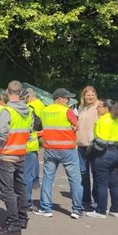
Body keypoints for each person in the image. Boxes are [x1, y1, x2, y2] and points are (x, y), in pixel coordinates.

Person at [34, 88, 85, 219]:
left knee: (47, 178)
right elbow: (77, 126)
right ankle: (77, 209)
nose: (69, 101)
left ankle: (45, 208)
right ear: (60, 99)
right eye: (67, 98)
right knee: (74, 179)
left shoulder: (45, 111)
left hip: (50, 149)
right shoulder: (67, 111)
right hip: (67, 149)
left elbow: (43, 127)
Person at [0, 81, 34, 235]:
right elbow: (30, 132)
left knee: (8, 190)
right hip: (21, 153)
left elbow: (2, 134)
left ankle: (13, 223)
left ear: (7, 91)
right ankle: (23, 218)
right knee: (20, 186)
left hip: (7, 154)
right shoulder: (28, 110)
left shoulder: (7, 111)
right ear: (21, 92)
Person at [86, 99, 118, 219]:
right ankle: (115, 210)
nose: (97, 108)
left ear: (106, 108)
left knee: (101, 183)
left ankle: (100, 211)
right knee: (114, 183)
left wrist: (92, 152)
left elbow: (101, 141)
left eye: (99, 106)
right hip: (117, 153)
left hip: (105, 153)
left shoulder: (103, 120)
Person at [76, 85, 100, 208]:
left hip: (94, 145)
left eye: (93, 94)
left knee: (96, 173)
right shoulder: (80, 108)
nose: (91, 97)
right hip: (81, 145)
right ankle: (86, 198)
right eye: (88, 95)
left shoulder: (99, 106)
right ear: (83, 96)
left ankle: (97, 199)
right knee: (83, 172)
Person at [24, 88, 45, 189]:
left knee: (32, 160)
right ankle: (36, 180)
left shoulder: (30, 106)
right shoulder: (40, 103)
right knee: (35, 158)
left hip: (34, 135)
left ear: (28, 96)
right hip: (41, 133)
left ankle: (33, 180)